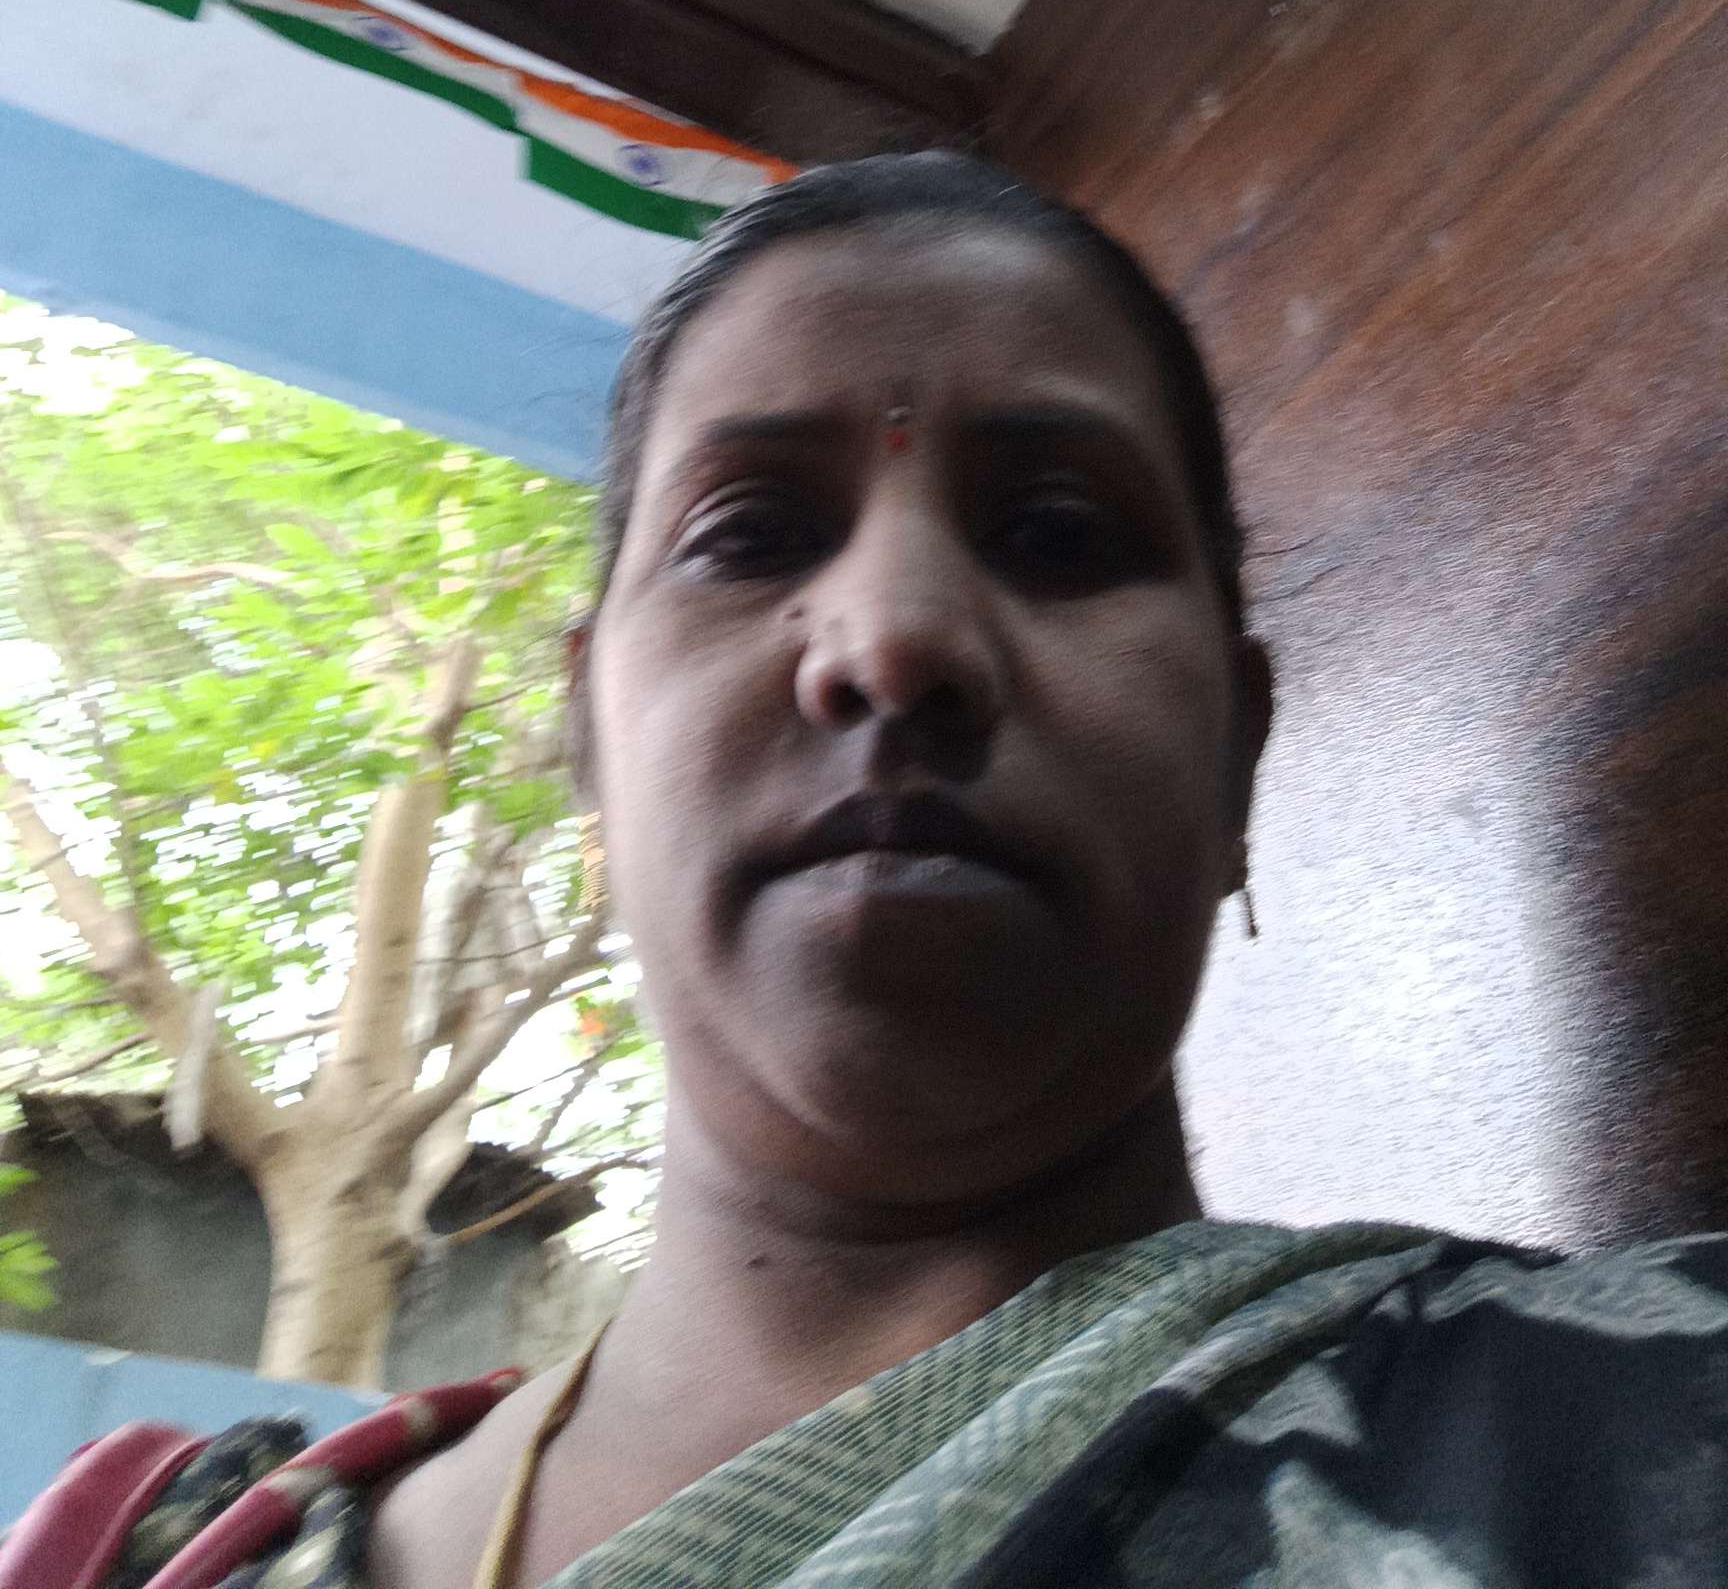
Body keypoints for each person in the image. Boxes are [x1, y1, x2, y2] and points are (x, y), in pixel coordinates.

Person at [8, 152, 1725, 1589]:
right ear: (591, 740)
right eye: (750, 533)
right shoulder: (154, 1554)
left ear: (1237, 763)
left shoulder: (1642, 1424)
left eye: (1059, 535)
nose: (896, 639)